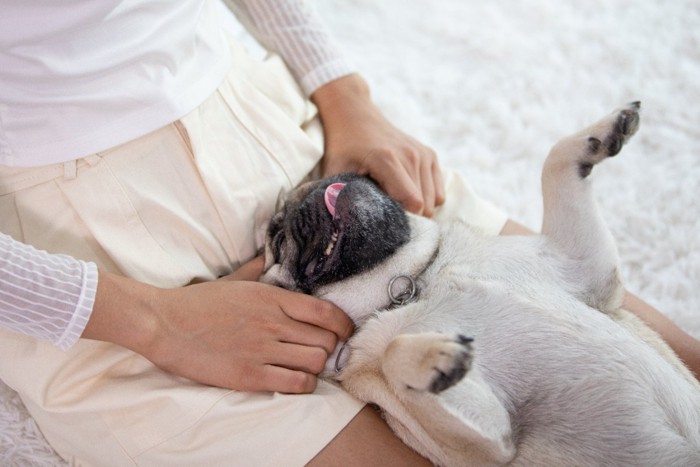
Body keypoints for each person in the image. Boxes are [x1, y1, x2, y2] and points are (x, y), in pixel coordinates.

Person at [0, 1, 697, 465]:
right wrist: (151, 320)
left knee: (658, 363)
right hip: (81, 260)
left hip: (276, 136)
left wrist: (342, 94)